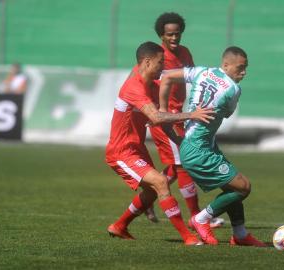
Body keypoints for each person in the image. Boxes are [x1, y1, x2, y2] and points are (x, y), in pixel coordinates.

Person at [105, 41, 215, 246]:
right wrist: (192, 114)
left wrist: (181, 143)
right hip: (121, 152)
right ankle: (188, 237)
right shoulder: (133, 87)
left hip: (137, 149)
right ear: (146, 62)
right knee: (162, 182)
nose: (163, 67)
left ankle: (119, 226)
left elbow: (162, 120)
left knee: (151, 191)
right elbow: (156, 117)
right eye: (159, 62)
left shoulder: (153, 88)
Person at [158, 46, 267, 246]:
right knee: (243, 187)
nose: (244, 72)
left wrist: (163, 110)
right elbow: (226, 113)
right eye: (240, 68)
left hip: (196, 145)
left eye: (246, 68)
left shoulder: (202, 71)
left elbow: (166, 77)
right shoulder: (233, 89)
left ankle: (240, 235)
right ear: (226, 65)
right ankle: (201, 219)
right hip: (199, 150)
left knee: (233, 187)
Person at [144, 12, 224, 229]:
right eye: (169, 34)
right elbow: (149, 85)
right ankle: (197, 217)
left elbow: (195, 79)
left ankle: (146, 200)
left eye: (177, 34)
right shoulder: (158, 58)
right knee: (184, 165)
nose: (174, 38)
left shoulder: (185, 52)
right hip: (164, 118)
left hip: (179, 114)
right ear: (161, 35)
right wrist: (156, 112)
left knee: (175, 165)